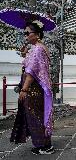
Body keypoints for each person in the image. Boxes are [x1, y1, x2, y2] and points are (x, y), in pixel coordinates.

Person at [10, 20, 54, 155]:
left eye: (28, 33)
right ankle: (45, 144)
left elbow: (31, 72)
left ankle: (42, 146)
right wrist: (24, 54)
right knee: (40, 116)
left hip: (33, 89)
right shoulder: (41, 48)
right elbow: (33, 66)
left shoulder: (37, 49)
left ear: (37, 34)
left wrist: (24, 89)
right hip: (39, 89)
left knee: (35, 117)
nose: (26, 36)